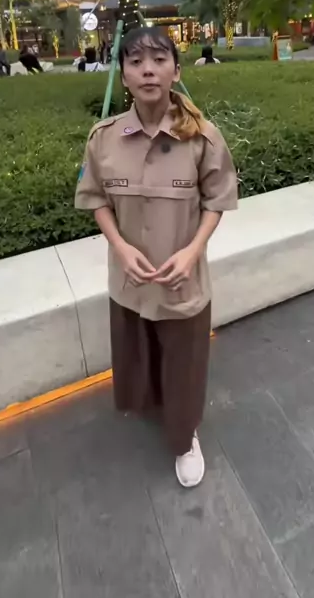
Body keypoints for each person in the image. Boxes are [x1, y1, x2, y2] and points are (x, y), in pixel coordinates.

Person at [75, 26, 238, 488]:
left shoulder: (202, 137)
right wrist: (120, 246)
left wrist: (192, 252)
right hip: (130, 282)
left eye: (159, 60)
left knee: (183, 362)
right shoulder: (103, 138)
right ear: (123, 75)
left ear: (176, 71)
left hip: (182, 282)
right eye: (136, 62)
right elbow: (95, 198)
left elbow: (217, 201)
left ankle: (185, 437)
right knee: (139, 355)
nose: (148, 70)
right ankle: (150, 406)